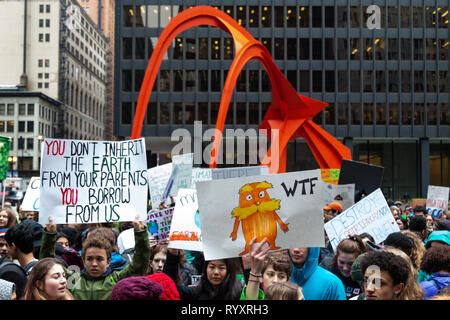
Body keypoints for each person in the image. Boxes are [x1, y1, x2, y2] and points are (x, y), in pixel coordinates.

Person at [40, 215, 150, 300]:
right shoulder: (73, 280)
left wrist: (140, 233)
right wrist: (50, 235)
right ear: (83, 260)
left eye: (99, 259)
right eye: (89, 259)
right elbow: (47, 265)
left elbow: (139, 265)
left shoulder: (117, 279)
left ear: (108, 261)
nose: (94, 263)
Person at [163, 248, 243, 300]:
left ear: (229, 271)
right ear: (205, 270)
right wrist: (173, 254)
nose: (216, 272)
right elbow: (171, 287)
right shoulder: (196, 293)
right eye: (212, 267)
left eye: (221, 268)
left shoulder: (239, 294)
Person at [320, 235, 367, 299]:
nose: (345, 268)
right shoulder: (327, 268)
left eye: (350, 264)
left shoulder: (365, 275)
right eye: (341, 262)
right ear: (336, 257)